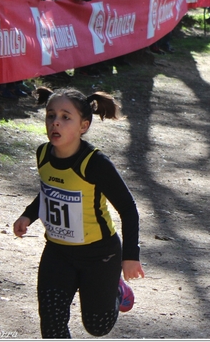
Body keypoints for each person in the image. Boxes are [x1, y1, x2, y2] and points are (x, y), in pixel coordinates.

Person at [12, 87, 144, 338]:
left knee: (97, 326)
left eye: (65, 117)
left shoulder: (95, 164)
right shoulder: (43, 154)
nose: (55, 122)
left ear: (83, 126)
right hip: (57, 252)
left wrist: (130, 256)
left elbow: (128, 208)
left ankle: (117, 290)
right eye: (50, 115)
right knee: (52, 324)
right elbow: (48, 191)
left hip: (99, 255)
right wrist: (29, 215)